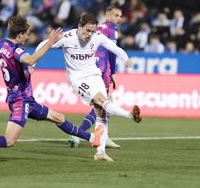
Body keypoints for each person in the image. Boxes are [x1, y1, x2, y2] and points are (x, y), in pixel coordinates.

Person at [0, 15, 103, 162]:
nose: (28, 37)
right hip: (20, 100)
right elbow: (30, 59)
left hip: (27, 99)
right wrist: (49, 43)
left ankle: (92, 138)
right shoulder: (16, 50)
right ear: (20, 35)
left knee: (59, 117)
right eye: (27, 34)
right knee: (9, 140)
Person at [35, 13, 142, 162]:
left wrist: (126, 59)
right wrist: (32, 63)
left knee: (101, 112)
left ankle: (100, 152)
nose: (89, 35)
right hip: (78, 79)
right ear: (79, 26)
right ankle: (128, 115)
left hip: (94, 75)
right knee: (100, 100)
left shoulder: (97, 37)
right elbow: (44, 44)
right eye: (87, 30)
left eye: (92, 31)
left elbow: (115, 49)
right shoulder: (67, 37)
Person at [68, 5, 123, 149]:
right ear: (108, 16)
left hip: (91, 66)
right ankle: (78, 133)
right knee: (103, 103)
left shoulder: (98, 29)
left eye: (120, 16)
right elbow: (112, 53)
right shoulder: (112, 30)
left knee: (105, 102)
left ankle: (105, 136)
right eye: (116, 15)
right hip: (102, 69)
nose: (119, 19)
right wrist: (113, 72)